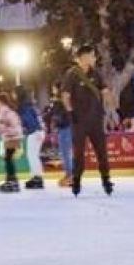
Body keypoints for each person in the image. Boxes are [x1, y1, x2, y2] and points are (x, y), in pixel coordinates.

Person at [60, 45, 111, 196]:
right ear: (83, 57)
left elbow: (105, 91)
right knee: (79, 153)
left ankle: (106, 180)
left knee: (102, 152)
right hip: (79, 121)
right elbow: (65, 96)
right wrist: (71, 112)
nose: (94, 58)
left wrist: (112, 105)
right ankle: (76, 180)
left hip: (96, 120)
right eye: (92, 55)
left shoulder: (97, 74)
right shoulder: (72, 74)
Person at [0, 91, 24, 193]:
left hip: (11, 137)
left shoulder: (3, 111)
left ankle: (12, 180)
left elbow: (2, 125)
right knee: (8, 158)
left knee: (8, 158)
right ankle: (11, 179)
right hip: (12, 136)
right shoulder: (8, 111)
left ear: (0, 101)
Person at [16, 87, 46, 190]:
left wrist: (31, 130)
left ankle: (38, 178)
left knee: (32, 156)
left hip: (35, 132)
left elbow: (29, 120)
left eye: (14, 93)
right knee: (33, 155)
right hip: (38, 131)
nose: (13, 95)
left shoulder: (24, 106)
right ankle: (35, 177)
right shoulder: (30, 104)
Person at [45, 97, 75, 188]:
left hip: (66, 128)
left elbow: (53, 116)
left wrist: (49, 118)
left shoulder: (59, 102)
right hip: (66, 128)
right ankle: (70, 175)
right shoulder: (65, 101)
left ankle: (70, 176)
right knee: (66, 154)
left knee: (66, 154)